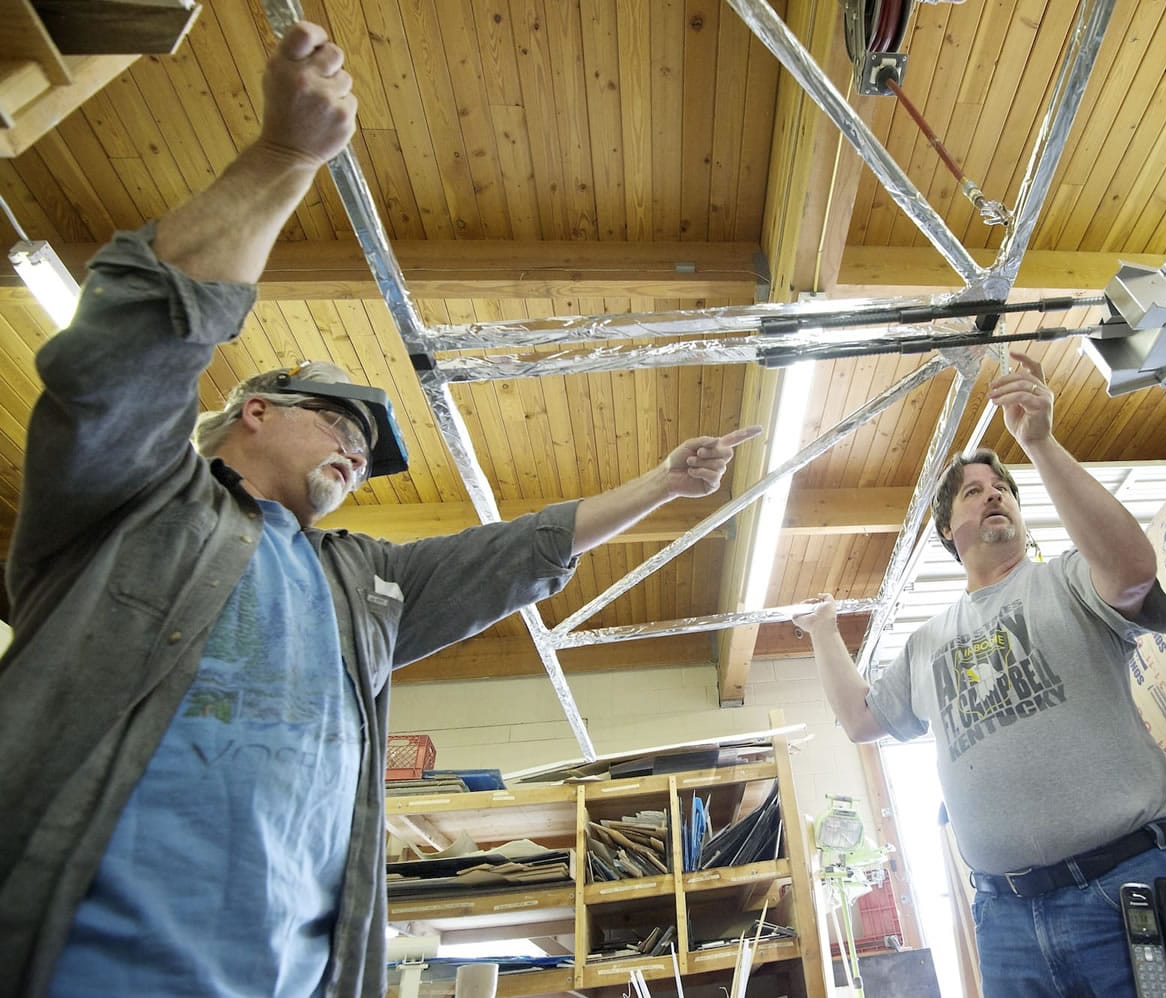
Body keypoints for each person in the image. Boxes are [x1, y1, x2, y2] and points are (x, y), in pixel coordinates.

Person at [0, 22, 759, 998]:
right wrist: (282, 158)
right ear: (253, 412)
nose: (359, 453)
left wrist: (664, 483)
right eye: (339, 419)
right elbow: (126, 352)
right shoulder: (137, 499)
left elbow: (507, 556)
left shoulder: (359, 584)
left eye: (370, 454)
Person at [793, 352, 1166, 997]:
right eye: (974, 491)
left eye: (1003, 490)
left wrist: (1039, 443)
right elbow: (859, 721)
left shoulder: (1068, 580)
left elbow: (1131, 571)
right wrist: (823, 632)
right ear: (947, 530)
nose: (994, 495)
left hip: (1128, 891)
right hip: (1005, 919)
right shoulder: (929, 644)